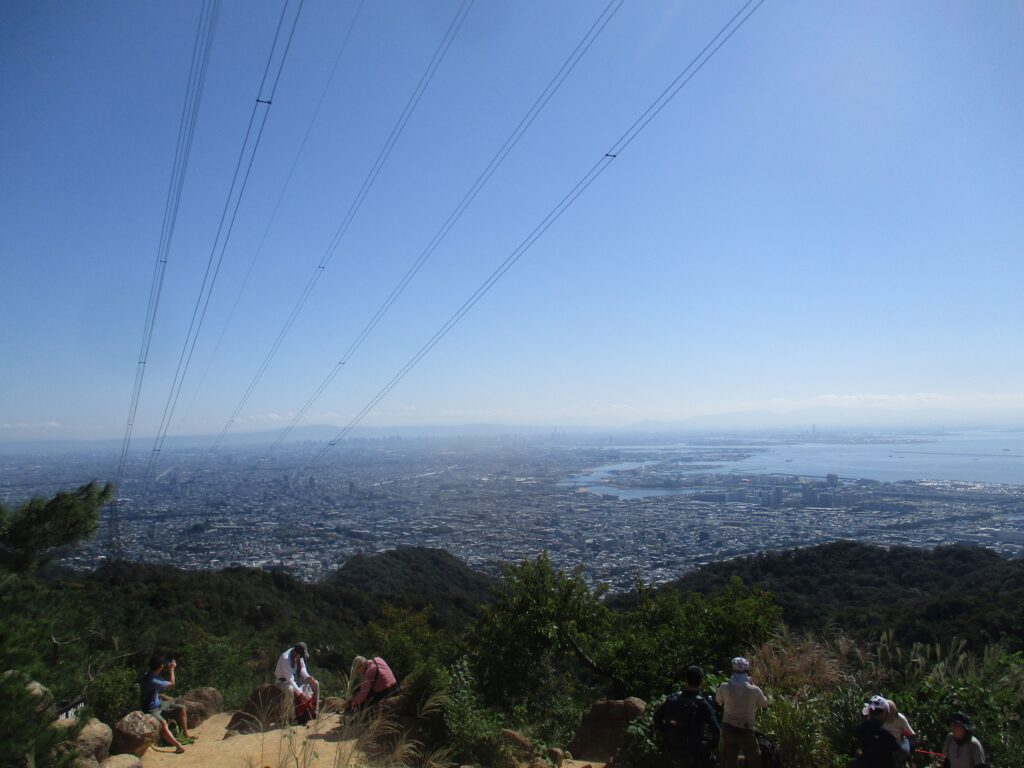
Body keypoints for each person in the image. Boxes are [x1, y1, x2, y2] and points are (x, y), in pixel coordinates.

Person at [654, 666, 720, 767]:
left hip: (673, 749)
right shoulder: (702, 703)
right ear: (702, 682)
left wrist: (666, 733)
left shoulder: (672, 698)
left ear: (685, 680)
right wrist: (712, 744)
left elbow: (656, 717)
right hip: (695, 751)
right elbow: (715, 729)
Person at [715, 656, 768, 768]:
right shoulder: (754, 690)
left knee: (729, 759)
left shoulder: (724, 687)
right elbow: (765, 704)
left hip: (728, 727)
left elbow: (718, 701)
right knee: (755, 759)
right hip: (746, 729)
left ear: (732, 670)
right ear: (746, 670)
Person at [139, 656, 190, 753]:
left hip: (159, 704)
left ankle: (186, 733)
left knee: (181, 708)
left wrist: (165, 665)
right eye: (162, 664)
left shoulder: (149, 674)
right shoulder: (152, 680)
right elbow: (172, 683)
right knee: (163, 724)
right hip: (150, 709)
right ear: (160, 667)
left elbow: (159, 675)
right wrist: (171, 669)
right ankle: (178, 746)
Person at [852, 695, 903, 768]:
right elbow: (899, 752)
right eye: (887, 712)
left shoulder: (860, 729)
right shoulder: (885, 735)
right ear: (884, 712)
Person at [275, 642, 319, 723]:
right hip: (283, 681)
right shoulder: (286, 659)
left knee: (315, 683)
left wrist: (308, 677)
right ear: (295, 653)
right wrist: (300, 694)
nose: (301, 657)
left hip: (296, 678)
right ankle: (292, 718)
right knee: (290, 690)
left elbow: (302, 669)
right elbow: (290, 679)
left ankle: (315, 711)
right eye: (300, 655)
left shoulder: (299, 655)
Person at [882, 698, 915, 765]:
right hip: (884, 743)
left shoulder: (901, 718)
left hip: (899, 742)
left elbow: (912, 734)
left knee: (902, 752)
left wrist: (911, 748)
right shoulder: (879, 718)